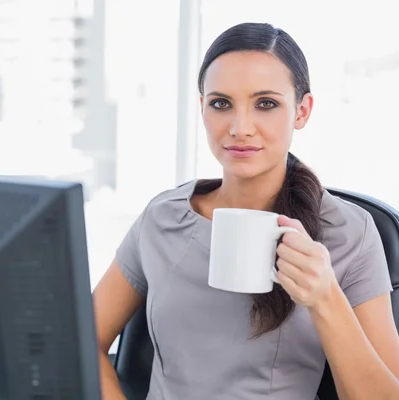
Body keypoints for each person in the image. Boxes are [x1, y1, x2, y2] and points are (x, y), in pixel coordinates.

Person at [92, 22, 399, 400]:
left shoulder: (350, 232)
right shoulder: (162, 219)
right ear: (202, 109)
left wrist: (325, 299)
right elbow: (84, 341)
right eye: (221, 103)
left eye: (266, 104)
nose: (240, 127)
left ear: (302, 111)